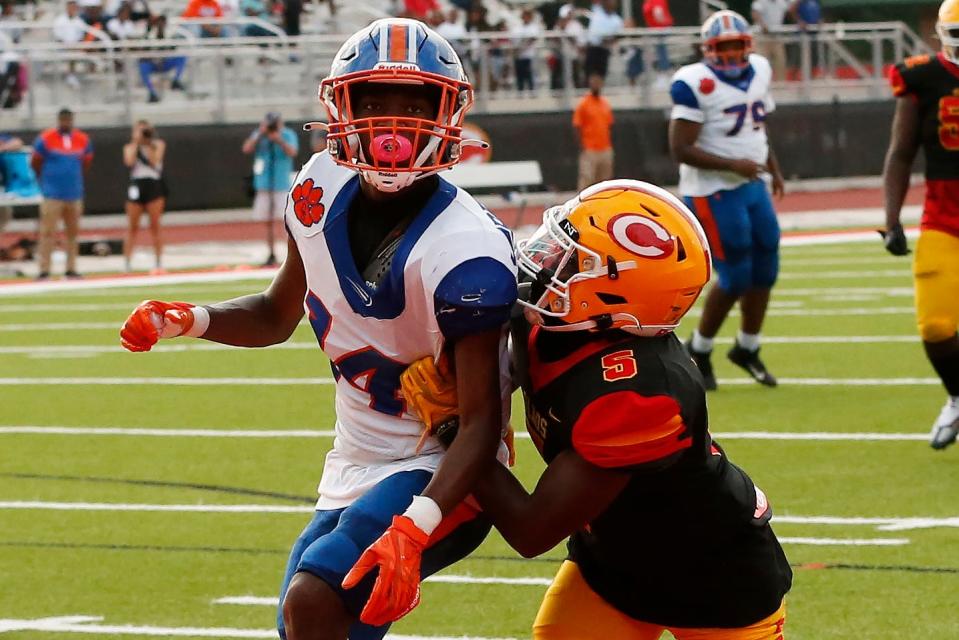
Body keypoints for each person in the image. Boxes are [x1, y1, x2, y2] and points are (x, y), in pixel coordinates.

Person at [118, 17, 518, 640]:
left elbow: (481, 424)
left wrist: (416, 525)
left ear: (447, 113)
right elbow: (279, 314)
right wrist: (190, 320)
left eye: (414, 103)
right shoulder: (316, 186)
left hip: (444, 471)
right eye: (374, 101)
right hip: (354, 461)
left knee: (313, 602)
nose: (392, 123)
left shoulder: (466, 251)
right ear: (341, 105)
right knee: (303, 624)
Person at [401, 179, 792, 640]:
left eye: (572, 261)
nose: (543, 260)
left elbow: (531, 530)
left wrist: (454, 424)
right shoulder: (552, 325)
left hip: (716, 582)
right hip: (612, 565)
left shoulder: (638, 393)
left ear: (615, 297)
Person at [668, 10, 785, 391]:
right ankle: (699, 349)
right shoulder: (694, 82)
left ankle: (747, 347)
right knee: (735, 275)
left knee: (767, 266)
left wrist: (773, 167)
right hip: (712, 190)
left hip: (752, 184)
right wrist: (734, 164)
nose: (734, 55)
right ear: (710, 50)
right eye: (725, 47)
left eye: (739, 46)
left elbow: (756, 128)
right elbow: (680, 148)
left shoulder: (761, 70)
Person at [882, 0, 959, 450]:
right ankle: (956, 396)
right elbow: (901, 152)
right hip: (944, 218)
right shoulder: (922, 77)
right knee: (935, 327)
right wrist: (892, 221)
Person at [31, 107, 93, 280]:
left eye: (68, 120)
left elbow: (86, 162)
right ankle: (44, 269)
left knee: (73, 232)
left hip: (74, 193)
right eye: (63, 120)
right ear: (59, 121)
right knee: (48, 232)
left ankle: (71, 268)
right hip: (52, 193)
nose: (66, 123)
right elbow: (36, 162)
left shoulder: (82, 139)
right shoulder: (46, 139)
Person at [241, 111, 298, 266]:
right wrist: (260, 133)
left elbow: (292, 151)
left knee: (285, 221)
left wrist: (278, 140)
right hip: (264, 183)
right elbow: (246, 148)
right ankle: (271, 252)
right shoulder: (260, 135)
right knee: (267, 221)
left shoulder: (287, 134)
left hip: (280, 183)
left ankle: (289, 254)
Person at [122, 119, 166, 273]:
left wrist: (148, 144)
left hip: (153, 185)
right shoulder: (130, 147)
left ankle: (159, 261)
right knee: (132, 226)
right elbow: (129, 162)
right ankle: (127, 262)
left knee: (155, 225)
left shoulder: (158, 145)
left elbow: (155, 162)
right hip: (137, 185)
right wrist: (136, 142)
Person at [572, 73, 613, 190]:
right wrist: (582, 146)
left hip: (605, 148)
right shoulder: (584, 104)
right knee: (587, 179)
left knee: (605, 182)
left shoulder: (605, 104)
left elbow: (609, 125)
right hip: (590, 149)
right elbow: (576, 125)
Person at [139, 15, 188, 103]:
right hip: (154, 63)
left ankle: (175, 81)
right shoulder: (149, 35)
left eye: (163, 22)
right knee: (143, 65)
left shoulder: (171, 34)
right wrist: (154, 58)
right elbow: (144, 52)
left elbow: (174, 48)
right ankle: (152, 93)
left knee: (182, 56)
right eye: (159, 22)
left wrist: (165, 55)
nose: (161, 24)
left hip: (166, 62)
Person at [751, 0, 789, 82]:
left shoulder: (781, 2)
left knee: (780, 62)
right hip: (763, 37)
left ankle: (780, 84)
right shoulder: (761, 2)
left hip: (776, 37)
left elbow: (790, 9)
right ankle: (762, 83)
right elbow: (755, 13)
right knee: (762, 62)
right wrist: (763, 25)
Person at [584, 0, 622, 80]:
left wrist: (606, 40)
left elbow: (616, 37)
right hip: (591, 48)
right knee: (589, 73)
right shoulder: (597, 10)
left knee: (601, 74)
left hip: (603, 49)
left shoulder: (617, 20)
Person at [788, 0, 820, 77]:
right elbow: (791, 10)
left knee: (813, 57)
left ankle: (811, 77)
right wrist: (799, 21)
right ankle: (793, 77)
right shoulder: (799, 2)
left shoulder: (815, 2)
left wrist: (819, 21)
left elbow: (816, 13)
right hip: (801, 34)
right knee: (797, 59)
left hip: (813, 33)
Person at [642, 0, 673, 78]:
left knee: (661, 53)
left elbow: (658, 13)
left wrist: (662, 24)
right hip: (657, 30)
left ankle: (664, 73)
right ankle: (662, 73)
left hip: (659, 30)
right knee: (659, 52)